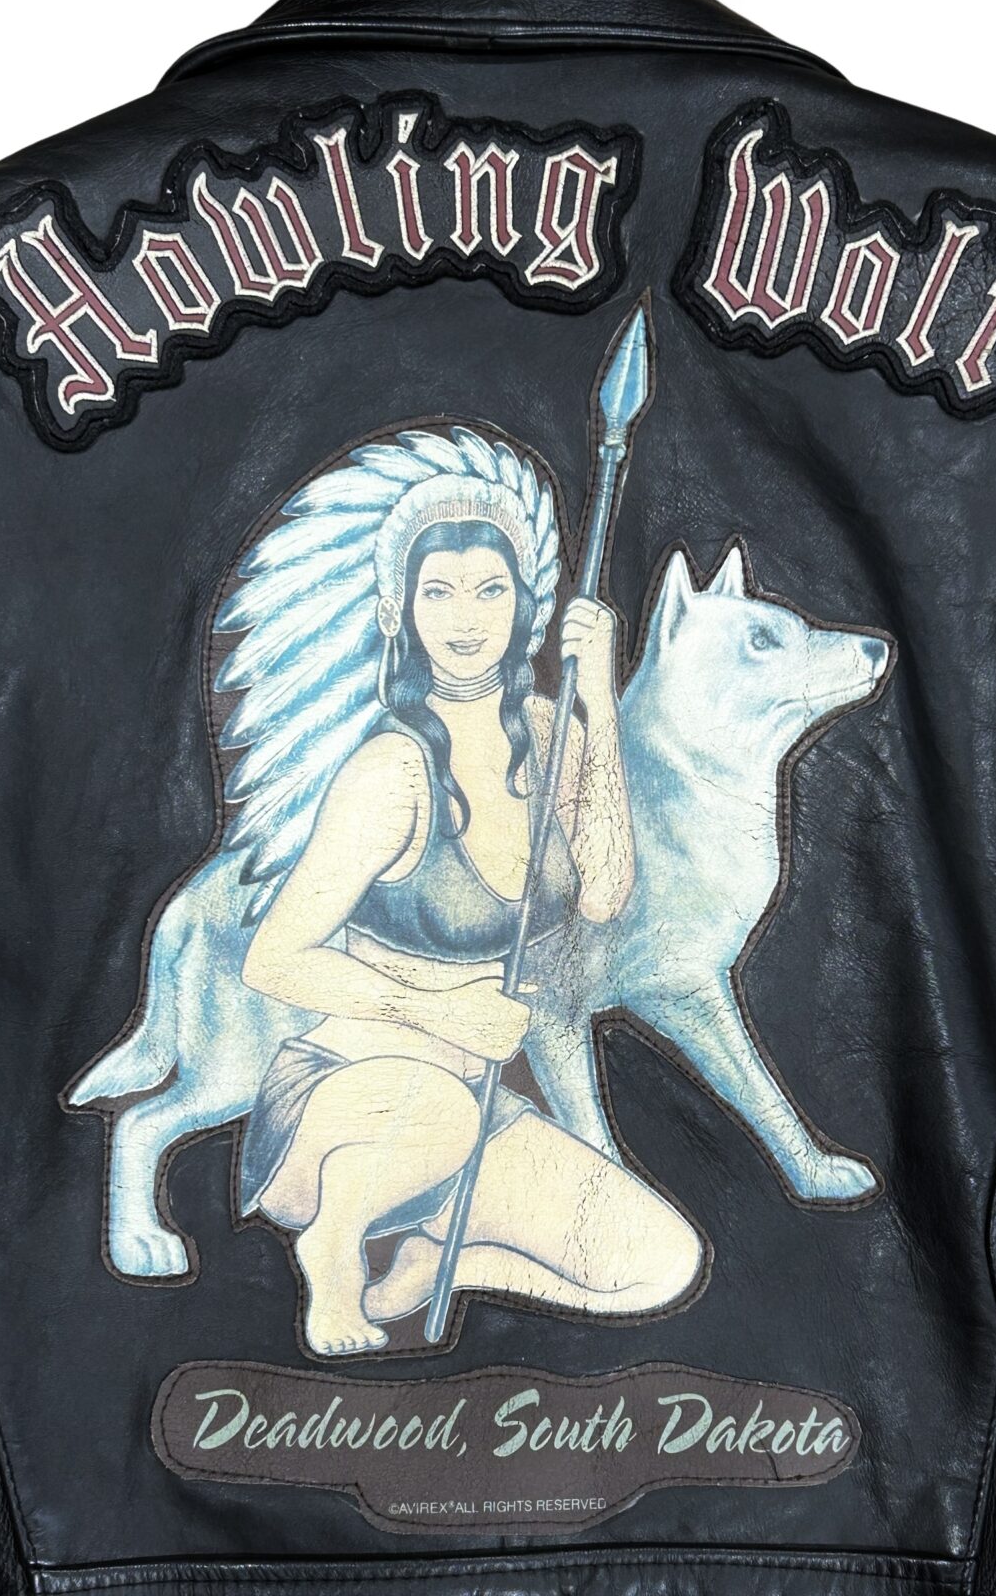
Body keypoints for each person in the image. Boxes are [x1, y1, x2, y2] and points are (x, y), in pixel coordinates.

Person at [235, 432, 704, 1356]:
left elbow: (605, 895)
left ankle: (439, 1262)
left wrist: (600, 709)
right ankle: (333, 1254)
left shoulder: (551, 731)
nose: (465, 619)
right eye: (438, 592)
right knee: (437, 1115)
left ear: (527, 607)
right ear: (399, 609)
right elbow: (274, 958)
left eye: (491, 591)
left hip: (476, 1108)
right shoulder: (392, 770)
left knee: (662, 1263)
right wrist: (436, 1010)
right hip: (344, 1119)